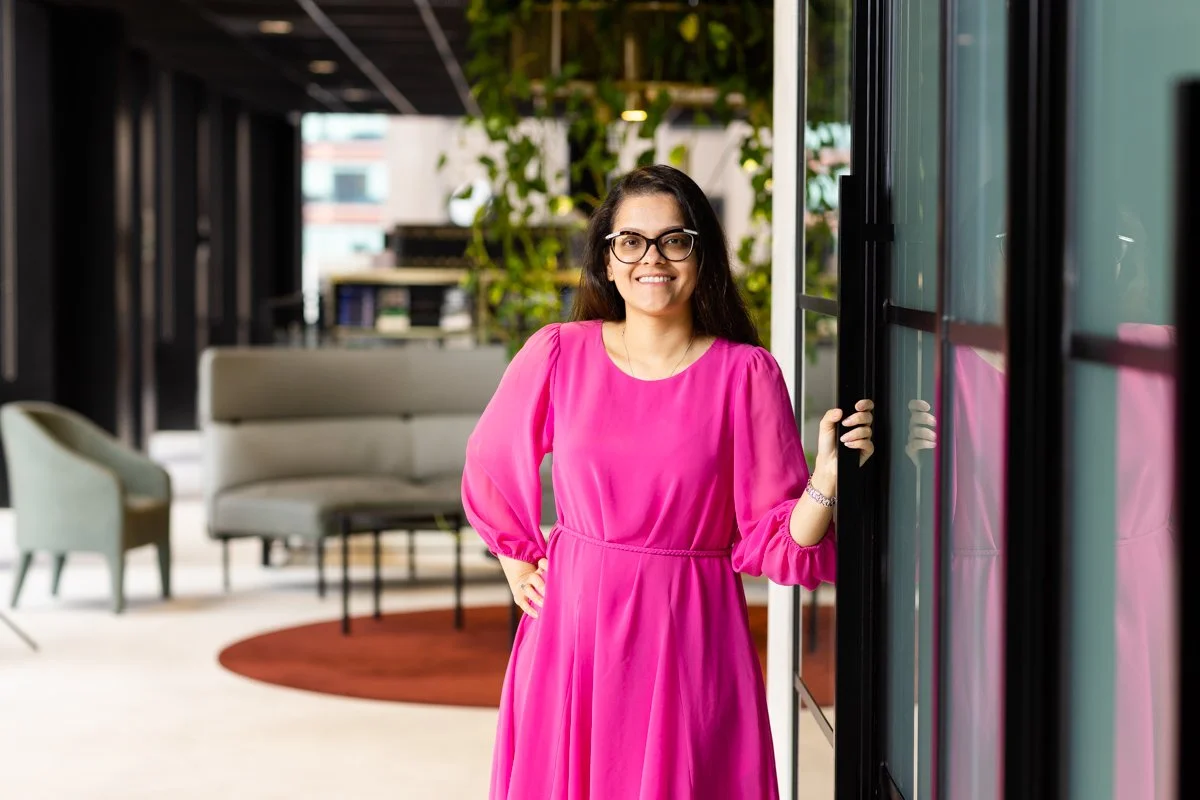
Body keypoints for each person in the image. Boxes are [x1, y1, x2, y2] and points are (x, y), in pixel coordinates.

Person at [462, 164, 874, 800]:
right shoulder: (558, 352)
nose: (651, 258)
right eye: (631, 241)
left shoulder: (746, 374)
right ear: (607, 260)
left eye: (673, 240)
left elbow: (775, 541)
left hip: (690, 633)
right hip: (574, 630)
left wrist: (825, 478)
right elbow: (489, 461)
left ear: (701, 256)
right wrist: (517, 559)